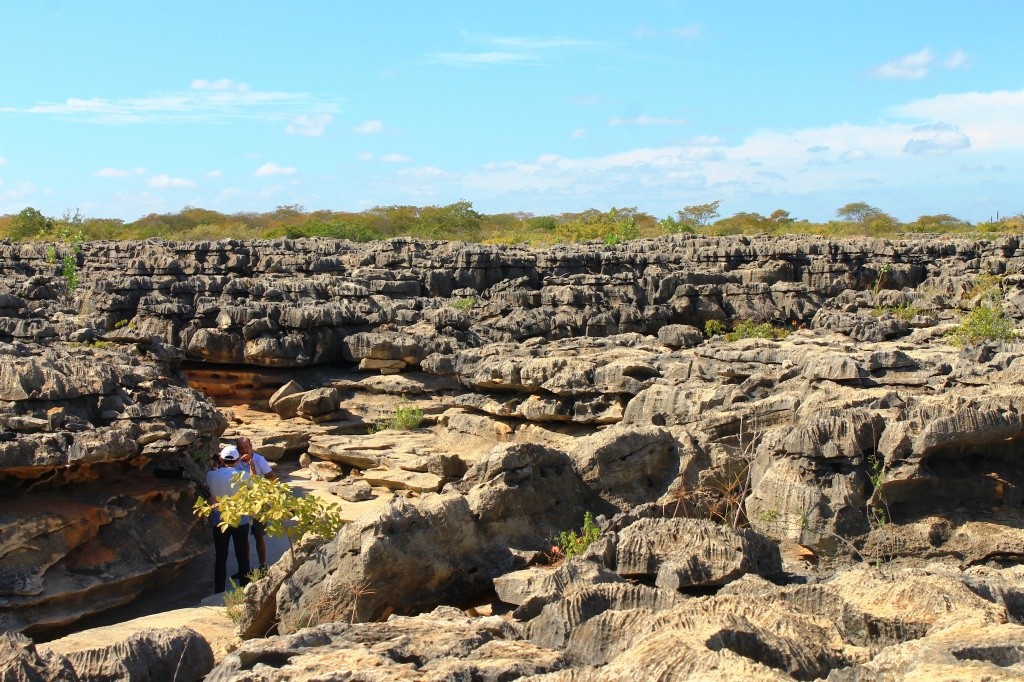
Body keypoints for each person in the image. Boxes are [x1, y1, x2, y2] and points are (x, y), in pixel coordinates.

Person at [207, 445, 251, 593]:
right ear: (238, 460)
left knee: (221, 556)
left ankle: (218, 590)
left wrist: (216, 463)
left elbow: (213, 478)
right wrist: (250, 464)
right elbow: (252, 485)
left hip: (219, 519)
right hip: (240, 518)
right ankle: (245, 587)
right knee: (242, 555)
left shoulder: (211, 475)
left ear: (221, 458)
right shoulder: (244, 475)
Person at [235, 436, 277, 572]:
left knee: (259, 535)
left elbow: (272, 477)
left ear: (251, 446)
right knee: (243, 536)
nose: (243, 450)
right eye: (240, 448)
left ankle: (263, 565)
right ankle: (245, 568)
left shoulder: (259, 460)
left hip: (258, 501)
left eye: (246, 447)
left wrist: (266, 493)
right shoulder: (236, 460)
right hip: (242, 502)